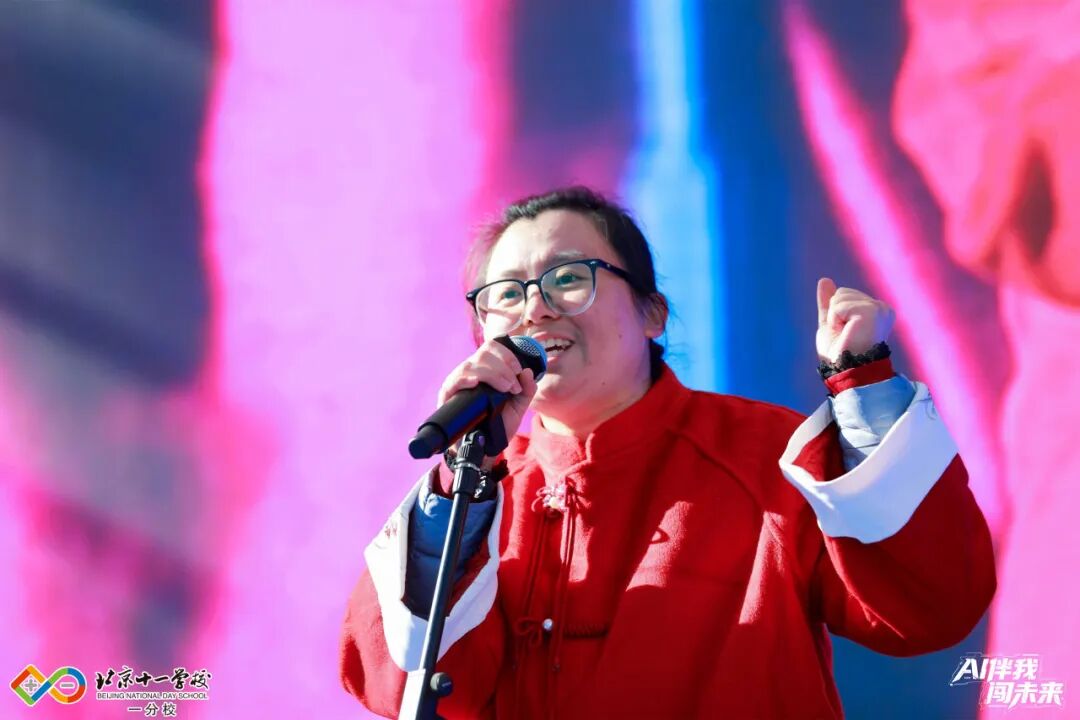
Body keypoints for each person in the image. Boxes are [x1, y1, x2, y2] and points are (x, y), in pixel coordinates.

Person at [339, 186, 996, 718]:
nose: (534, 310)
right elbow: (399, 684)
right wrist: (465, 476)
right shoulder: (474, 492)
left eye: (568, 278)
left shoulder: (768, 455)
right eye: (505, 295)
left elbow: (928, 608)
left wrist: (864, 385)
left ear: (653, 313)